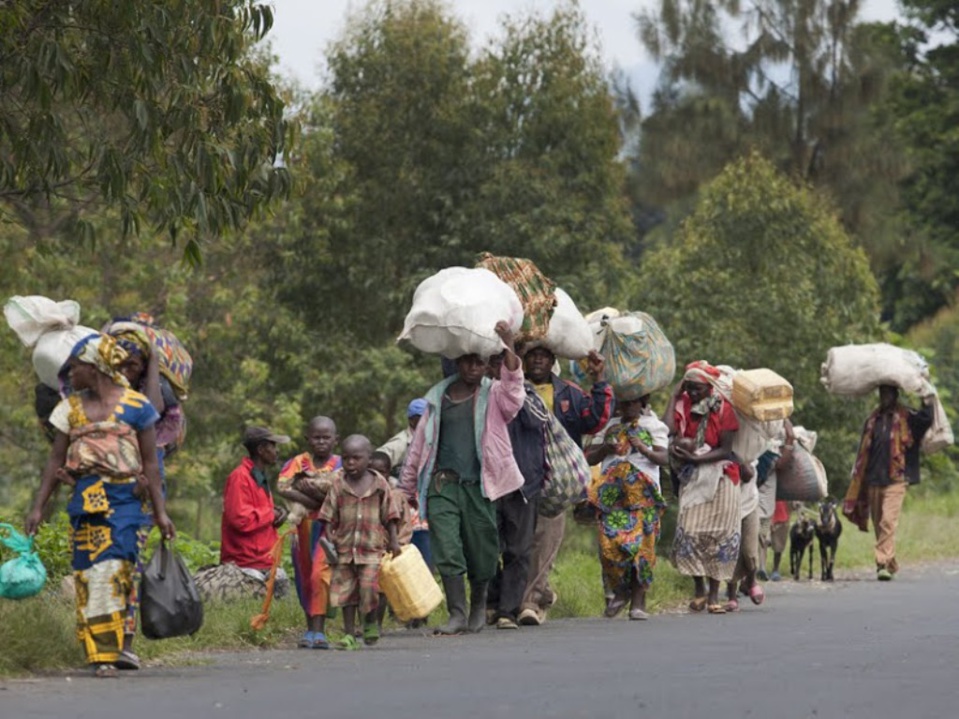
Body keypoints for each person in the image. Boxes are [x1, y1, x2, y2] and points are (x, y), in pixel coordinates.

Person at [24, 333, 175, 678]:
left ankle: (107, 652)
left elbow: (150, 464)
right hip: (84, 500)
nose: (70, 374)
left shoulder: (137, 406)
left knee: (115, 569)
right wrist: (38, 507)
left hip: (125, 500)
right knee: (88, 574)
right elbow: (55, 460)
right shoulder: (69, 410)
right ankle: (98, 651)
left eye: (76, 367)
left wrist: (160, 512)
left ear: (95, 368)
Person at [400, 321, 526, 636]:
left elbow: (514, 391)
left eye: (479, 362)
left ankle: (479, 605)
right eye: (467, 361)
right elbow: (419, 447)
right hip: (442, 486)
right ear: (457, 362)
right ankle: (457, 613)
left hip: (479, 486)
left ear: (486, 365)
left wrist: (508, 343)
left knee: (482, 550)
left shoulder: (493, 395)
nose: (473, 368)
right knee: (447, 546)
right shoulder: (437, 399)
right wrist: (405, 490)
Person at [518, 345, 613, 627]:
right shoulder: (512, 389)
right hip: (518, 476)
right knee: (517, 543)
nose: (538, 359)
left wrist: (599, 378)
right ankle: (538, 593)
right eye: (532, 354)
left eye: (544, 355)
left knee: (545, 540)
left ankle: (530, 602)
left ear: (553, 360)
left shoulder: (568, 393)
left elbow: (595, 420)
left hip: (555, 480)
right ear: (523, 359)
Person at [665, 361, 742, 615]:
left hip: (721, 476)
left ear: (709, 388)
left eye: (697, 388)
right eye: (688, 388)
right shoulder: (683, 404)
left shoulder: (724, 408)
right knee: (688, 531)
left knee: (720, 535)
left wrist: (696, 459)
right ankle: (699, 588)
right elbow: (668, 429)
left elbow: (726, 449)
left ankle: (713, 595)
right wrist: (674, 396)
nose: (692, 393)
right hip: (693, 477)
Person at [584, 394, 668, 621]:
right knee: (610, 545)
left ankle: (638, 602)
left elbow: (664, 458)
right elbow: (589, 458)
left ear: (642, 402)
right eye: (624, 402)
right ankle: (621, 591)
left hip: (645, 496)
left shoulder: (653, 425)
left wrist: (643, 448)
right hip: (612, 496)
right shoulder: (608, 426)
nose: (628, 406)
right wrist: (606, 449)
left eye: (633, 402)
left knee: (643, 548)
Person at [318, 435, 402, 649]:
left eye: (356, 458)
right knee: (346, 592)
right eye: (346, 458)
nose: (350, 463)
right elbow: (328, 514)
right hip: (344, 549)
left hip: (371, 549)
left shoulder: (380, 484)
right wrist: (329, 536)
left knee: (368, 588)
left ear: (368, 458)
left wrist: (394, 541)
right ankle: (349, 635)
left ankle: (370, 621)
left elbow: (390, 514)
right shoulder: (338, 484)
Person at [843, 383, 934, 580]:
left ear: (895, 395)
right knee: (879, 525)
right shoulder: (872, 420)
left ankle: (882, 563)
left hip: (896, 479)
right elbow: (863, 450)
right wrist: (858, 473)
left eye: (888, 393)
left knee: (887, 521)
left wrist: (925, 397)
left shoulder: (907, 417)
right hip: (874, 479)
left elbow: (926, 420)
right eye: (882, 393)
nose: (885, 396)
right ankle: (890, 563)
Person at [485, 351, 549, 630]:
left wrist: (513, 394)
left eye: (504, 363)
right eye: (494, 363)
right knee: (487, 548)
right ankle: (491, 601)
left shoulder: (529, 395)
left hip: (523, 484)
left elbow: (538, 421)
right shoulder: (481, 396)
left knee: (518, 550)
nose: (499, 368)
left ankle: (507, 611)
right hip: (490, 483)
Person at [276, 416, 341, 650]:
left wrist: (306, 491)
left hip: (329, 528)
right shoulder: (298, 462)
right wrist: (317, 500)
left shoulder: (341, 464)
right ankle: (310, 629)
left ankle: (320, 629)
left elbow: (338, 495)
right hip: (301, 527)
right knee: (304, 576)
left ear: (335, 439)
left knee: (319, 575)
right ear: (308, 439)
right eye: (316, 437)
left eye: (326, 437)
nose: (321, 442)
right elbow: (283, 487)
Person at [220, 426, 291, 595]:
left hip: (265, 560)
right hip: (244, 562)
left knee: (282, 590)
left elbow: (260, 514)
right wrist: (271, 514)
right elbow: (240, 520)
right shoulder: (239, 477)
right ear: (260, 450)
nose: (276, 451)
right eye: (273, 446)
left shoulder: (258, 476)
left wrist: (278, 515)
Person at [378, 398, 432, 569]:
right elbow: (377, 463)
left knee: (427, 553)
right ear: (412, 420)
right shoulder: (400, 443)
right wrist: (394, 485)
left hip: (425, 503)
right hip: (406, 505)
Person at [725, 459, 764, 611]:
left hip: (749, 503)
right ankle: (732, 596)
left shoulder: (750, 452)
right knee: (730, 550)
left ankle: (751, 580)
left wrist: (742, 464)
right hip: (727, 503)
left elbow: (748, 474)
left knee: (749, 550)